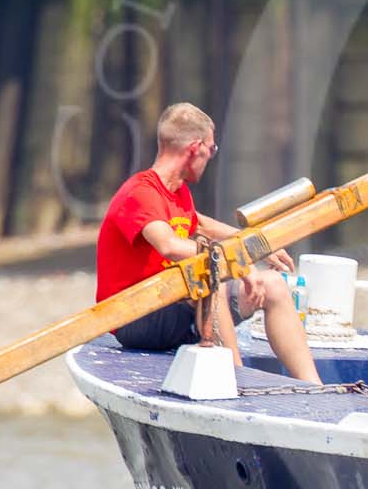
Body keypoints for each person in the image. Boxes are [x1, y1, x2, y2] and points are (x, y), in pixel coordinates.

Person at [95, 102, 321, 384]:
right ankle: (235, 381)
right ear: (195, 148)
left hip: (176, 309)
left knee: (273, 285)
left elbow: (200, 224)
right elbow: (169, 245)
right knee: (209, 282)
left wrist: (258, 245)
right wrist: (237, 262)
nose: (211, 155)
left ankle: (315, 387)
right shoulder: (139, 192)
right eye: (212, 149)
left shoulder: (179, 193)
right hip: (135, 318)